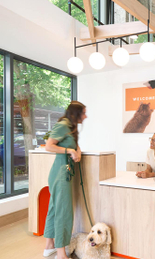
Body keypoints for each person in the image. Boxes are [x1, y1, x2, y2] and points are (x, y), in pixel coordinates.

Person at [43, 101, 87, 259]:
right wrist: (69, 150)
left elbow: (74, 145)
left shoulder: (71, 127)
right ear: (76, 113)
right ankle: (61, 254)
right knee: (63, 212)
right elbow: (49, 146)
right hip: (61, 174)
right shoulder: (63, 124)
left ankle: (49, 246)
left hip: (64, 173)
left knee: (55, 209)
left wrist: (77, 151)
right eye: (83, 113)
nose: (86, 116)